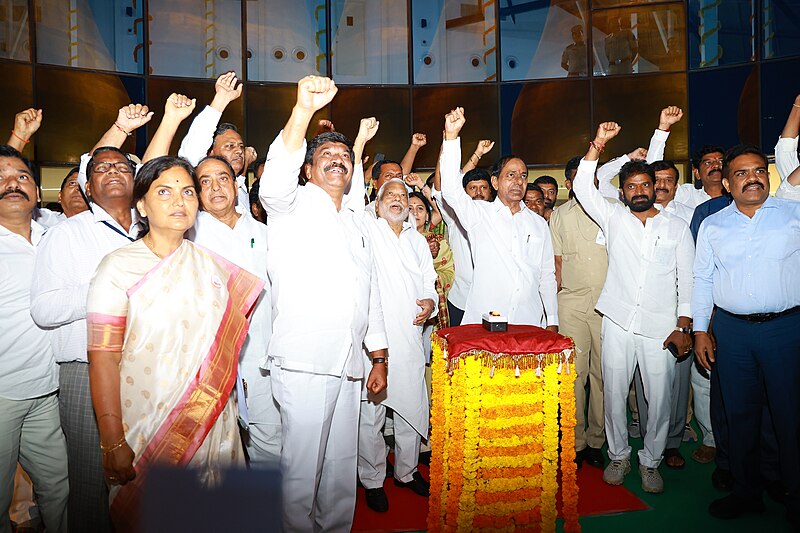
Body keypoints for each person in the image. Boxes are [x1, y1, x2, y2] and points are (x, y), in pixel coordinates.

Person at [29, 96, 194, 533]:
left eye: (123, 166)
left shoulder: (153, 233)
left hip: (151, 370)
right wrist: (108, 289)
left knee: (146, 478)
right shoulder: (65, 236)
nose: (114, 172)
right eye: (100, 168)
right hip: (86, 376)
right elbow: (44, 310)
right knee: (92, 482)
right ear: (85, 186)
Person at [86, 156, 263, 533]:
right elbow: (103, 358)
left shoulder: (214, 269)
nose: (179, 201)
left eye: (187, 191)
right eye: (164, 192)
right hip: (147, 425)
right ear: (141, 204)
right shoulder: (117, 267)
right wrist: (112, 440)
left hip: (214, 421)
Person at [259, 76, 389, 532]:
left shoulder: (357, 223)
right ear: (309, 170)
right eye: (327, 157)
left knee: (339, 470)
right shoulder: (289, 208)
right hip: (304, 361)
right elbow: (274, 179)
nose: (339, 162)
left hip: (350, 363)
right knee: (301, 472)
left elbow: (366, 294)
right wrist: (302, 111)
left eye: (346, 158)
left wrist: (378, 356)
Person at [573, 121, 694, 494]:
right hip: (618, 321)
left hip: (661, 328)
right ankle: (619, 455)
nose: (639, 191)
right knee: (613, 394)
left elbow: (686, 280)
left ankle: (651, 461)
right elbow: (581, 184)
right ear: (622, 193)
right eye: (631, 187)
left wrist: (684, 326)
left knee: (659, 400)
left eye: (645, 185)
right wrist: (599, 143)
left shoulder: (676, 227)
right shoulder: (612, 218)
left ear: (655, 188)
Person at [693, 145, 800, 529]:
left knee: (790, 416)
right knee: (739, 416)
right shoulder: (713, 225)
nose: (752, 177)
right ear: (726, 182)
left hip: (786, 329)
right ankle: (746, 492)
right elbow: (702, 279)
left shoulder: (794, 214)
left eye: (758, 170)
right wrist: (700, 330)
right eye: (741, 173)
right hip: (732, 333)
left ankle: (795, 495)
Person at [188, 155, 280, 468]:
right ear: (197, 192)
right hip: (209, 362)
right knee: (216, 452)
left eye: (222, 178)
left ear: (236, 184)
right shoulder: (189, 237)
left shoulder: (266, 234)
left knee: (270, 441)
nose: (216, 187)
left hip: (262, 355)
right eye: (205, 181)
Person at [357, 177, 438, 513]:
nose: (396, 200)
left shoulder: (416, 240)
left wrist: (430, 303)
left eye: (402, 196)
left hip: (409, 338)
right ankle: (373, 479)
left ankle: (406, 472)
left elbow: (429, 281)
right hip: (373, 340)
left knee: (411, 410)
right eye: (388, 195)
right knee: (371, 416)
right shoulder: (367, 231)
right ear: (376, 204)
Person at [0, 145, 68, 533]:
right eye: (1, 178)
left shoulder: (54, 234)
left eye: (22, 176)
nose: (13, 184)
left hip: (45, 392)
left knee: (58, 487)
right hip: (3, 393)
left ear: (38, 192)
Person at [440, 107, 558, 329]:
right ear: (495, 183)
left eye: (523, 176)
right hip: (485, 322)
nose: (518, 181)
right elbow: (450, 190)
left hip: (529, 322)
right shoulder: (479, 214)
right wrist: (452, 137)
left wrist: (552, 320)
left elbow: (546, 276)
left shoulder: (538, 224)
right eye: (510, 175)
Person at [549, 155, 609, 470]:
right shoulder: (557, 216)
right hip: (570, 304)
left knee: (601, 375)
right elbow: (556, 266)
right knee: (574, 375)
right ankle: (575, 441)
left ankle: (598, 440)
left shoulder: (611, 209)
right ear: (570, 183)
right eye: (578, 178)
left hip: (606, 305)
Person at [179, 71, 258, 208]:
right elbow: (192, 151)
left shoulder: (239, 189)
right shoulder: (198, 186)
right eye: (229, 146)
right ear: (210, 152)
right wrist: (221, 100)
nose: (239, 151)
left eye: (240, 146)